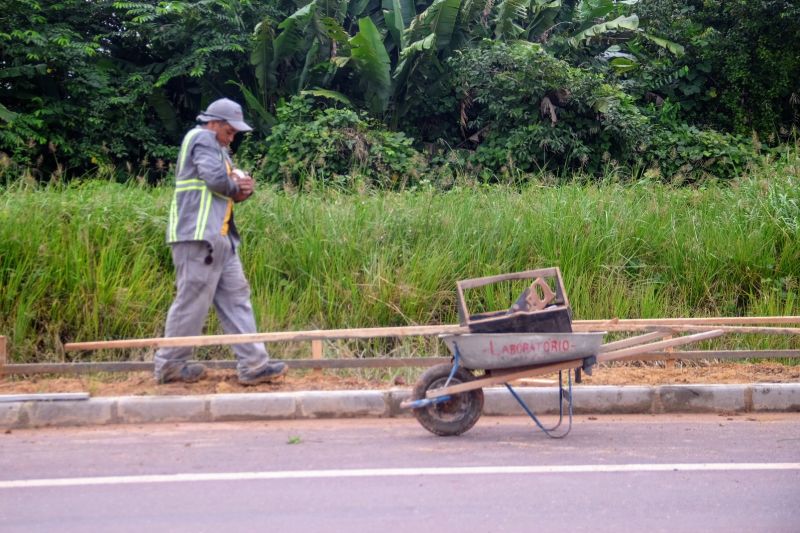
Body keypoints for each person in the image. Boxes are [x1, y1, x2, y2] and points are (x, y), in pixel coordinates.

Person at [153, 98, 286, 385]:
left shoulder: (218, 149)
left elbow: (224, 186)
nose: (233, 136)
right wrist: (238, 187)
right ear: (214, 123)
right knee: (192, 301)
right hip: (199, 237)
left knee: (237, 299)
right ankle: (170, 365)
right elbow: (215, 180)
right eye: (230, 130)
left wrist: (242, 190)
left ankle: (254, 365)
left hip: (220, 238)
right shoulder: (202, 138)